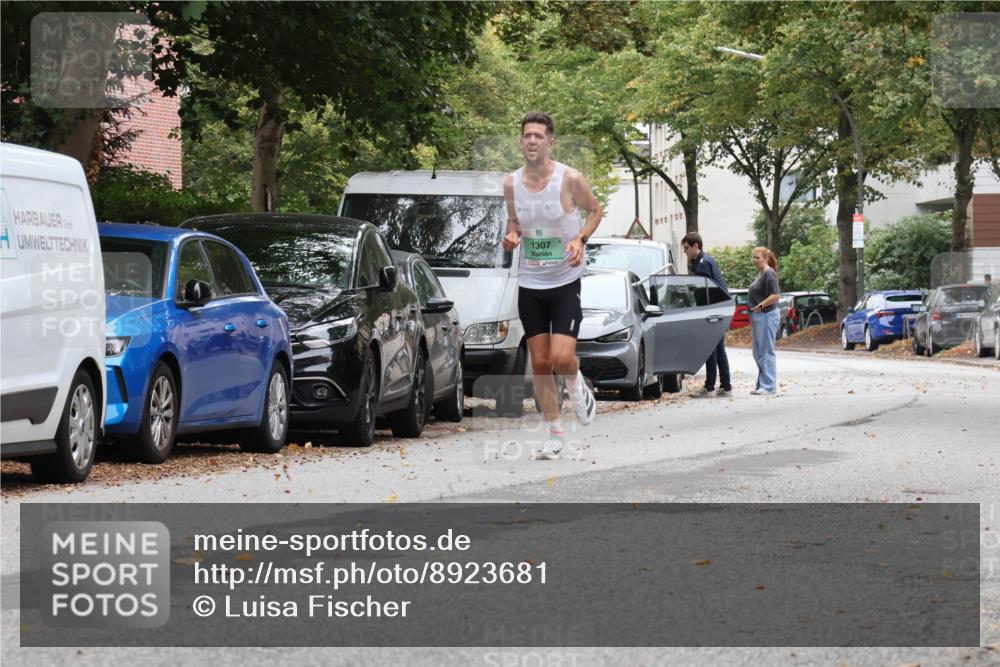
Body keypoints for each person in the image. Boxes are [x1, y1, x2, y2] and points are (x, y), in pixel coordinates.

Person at [501, 111, 603, 460]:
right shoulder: (511, 183)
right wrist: (512, 237)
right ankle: (555, 435)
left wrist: (581, 239)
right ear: (521, 141)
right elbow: (514, 224)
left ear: (551, 142)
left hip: (564, 281)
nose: (531, 141)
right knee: (541, 363)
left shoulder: (570, 179)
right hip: (530, 282)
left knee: (561, 358)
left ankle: (578, 388)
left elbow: (595, 211)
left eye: (538, 136)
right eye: (527, 135)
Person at [681, 232, 732, 398]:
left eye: (687, 248)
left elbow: (703, 291)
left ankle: (710, 388)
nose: (685, 251)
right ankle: (725, 386)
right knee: (719, 350)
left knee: (711, 349)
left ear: (696, 246)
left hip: (712, 311)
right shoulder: (707, 260)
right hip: (719, 309)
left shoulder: (703, 263)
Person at [748, 246, 781, 395]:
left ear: (766, 258)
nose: (755, 260)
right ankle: (762, 384)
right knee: (758, 352)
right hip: (759, 317)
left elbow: (775, 295)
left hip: (767, 315)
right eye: (753, 257)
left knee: (766, 351)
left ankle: (768, 386)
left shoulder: (769, 273)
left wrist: (760, 305)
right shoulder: (761, 274)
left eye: (758, 257)